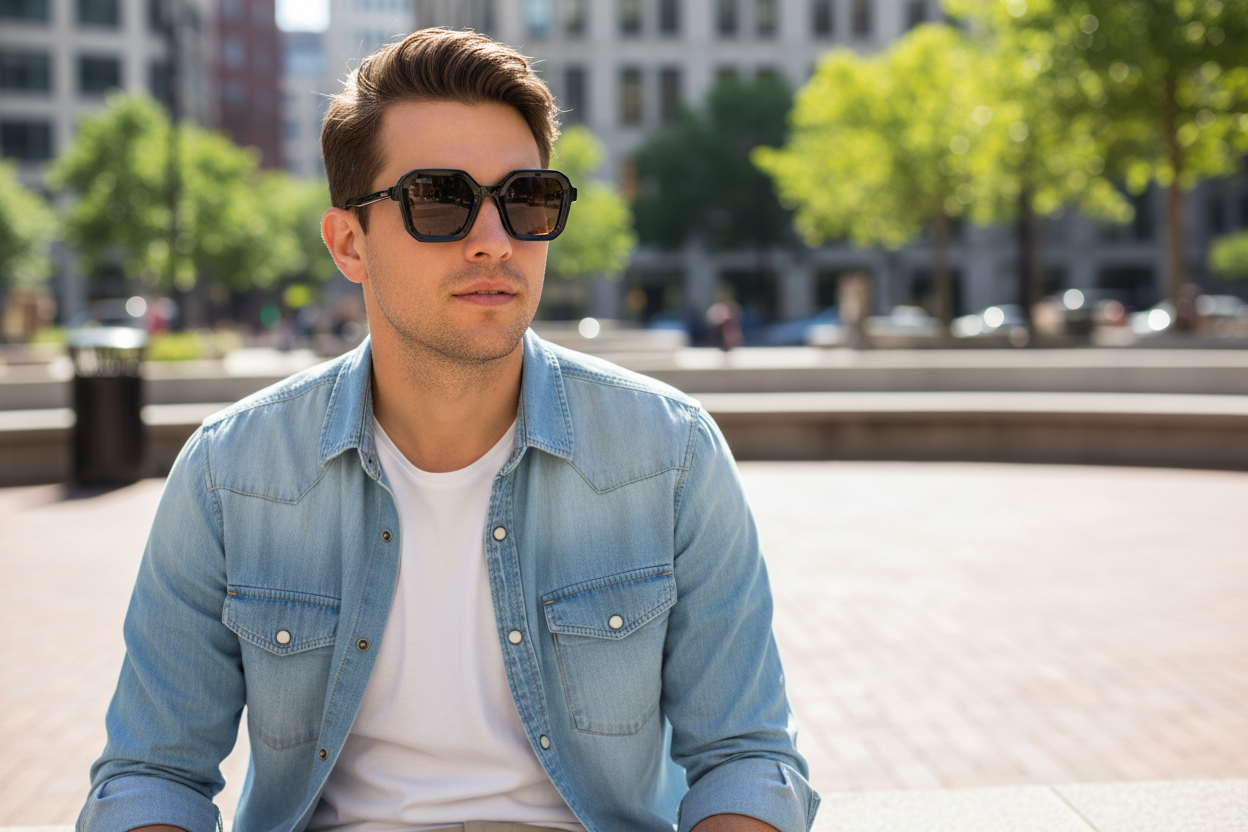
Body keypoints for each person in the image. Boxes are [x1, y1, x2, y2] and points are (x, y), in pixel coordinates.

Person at [78, 29, 818, 832]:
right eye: (440, 200)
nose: (494, 240)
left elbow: (747, 758)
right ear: (349, 243)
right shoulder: (232, 472)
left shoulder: (670, 454)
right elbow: (153, 774)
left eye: (527, 199)